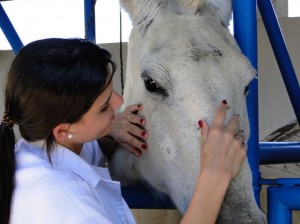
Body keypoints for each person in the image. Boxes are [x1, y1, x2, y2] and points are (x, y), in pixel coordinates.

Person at [0, 38, 246, 224]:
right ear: (64, 131)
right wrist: (215, 174)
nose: (119, 103)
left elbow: (87, 152)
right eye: (104, 106)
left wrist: (110, 130)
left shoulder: (43, 148)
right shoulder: (66, 205)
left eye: (112, 91)